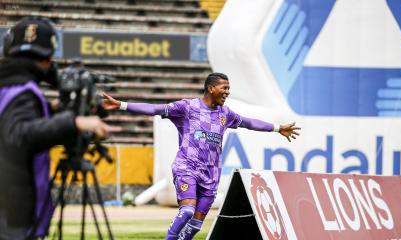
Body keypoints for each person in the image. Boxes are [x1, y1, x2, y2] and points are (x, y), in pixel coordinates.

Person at [102, 72, 301, 240]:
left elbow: (249, 123)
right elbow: (155, 109)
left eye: (228, 88)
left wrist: (277, 128)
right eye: (224, 87)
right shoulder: (187, 108)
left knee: (196, 225)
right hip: (187, 167)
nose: (227, 92)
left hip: (211, 174)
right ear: (211, 88)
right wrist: (122, 105)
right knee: (187, 211)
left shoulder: (225, 114)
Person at [0, 17, 110, 240]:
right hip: (11, 212)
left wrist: (51, 109)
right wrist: (74, 122)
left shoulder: (9, 84)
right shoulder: (23, 90)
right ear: (48, 57)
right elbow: (18, 134)